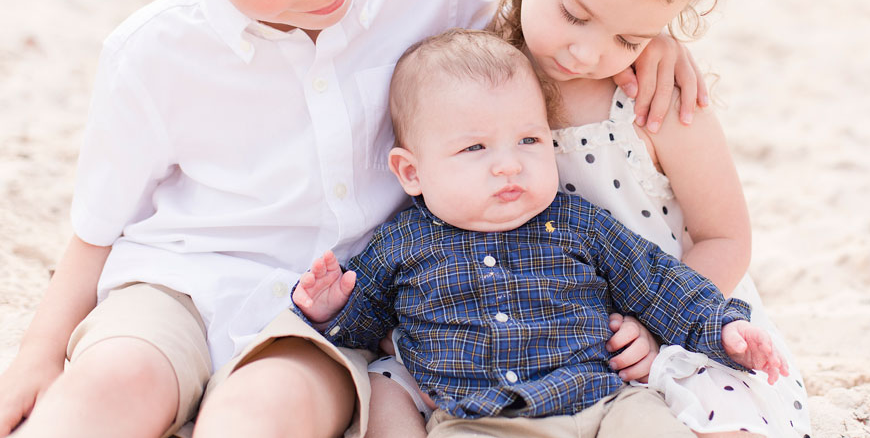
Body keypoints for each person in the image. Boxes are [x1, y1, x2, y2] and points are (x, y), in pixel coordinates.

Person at [0, 0, 704, 437]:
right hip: (175, 283)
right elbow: (95, 232)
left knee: (260, 415)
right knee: (108, 385)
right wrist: (37, 356)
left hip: (335, 311)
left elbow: (544, 35)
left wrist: (646, 35)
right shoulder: (150, 54)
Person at [488, 0, 813, 436]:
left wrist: (655, 322)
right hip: (523, 329)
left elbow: (725, 237)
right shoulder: (475, 65)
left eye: (630, 38)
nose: (588, 53)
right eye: (575, 14)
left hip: (654, 335)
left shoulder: (654, 102)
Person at [292, 29, 789, 438]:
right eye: (475, 148)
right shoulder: (401, 245)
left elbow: (661, 285)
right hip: (480, 419)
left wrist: (723, 329)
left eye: (529, 140)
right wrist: (329, 308)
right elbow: (362, 330)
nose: (509, 165)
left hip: (606, 403)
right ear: (411, 172)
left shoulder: (580, 223)